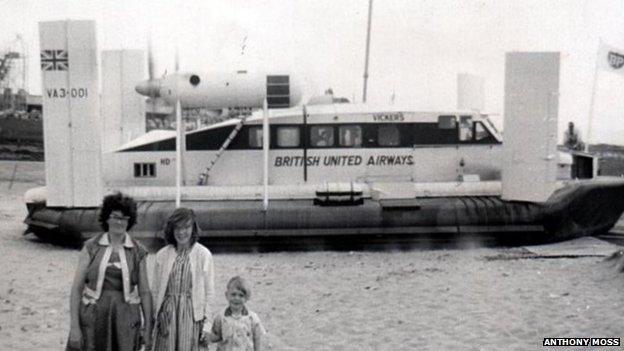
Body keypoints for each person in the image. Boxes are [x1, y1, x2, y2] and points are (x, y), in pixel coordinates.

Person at [67, 192, 152, 351]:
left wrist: (148, 327)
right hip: (92, 320)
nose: (119, 222)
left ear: (130, 221)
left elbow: (145, 292)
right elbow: (77, 289)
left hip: (125, 322)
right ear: (107, 218)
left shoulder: (138, 251)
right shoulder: (91, 247)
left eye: (124, 218)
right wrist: (74, 327)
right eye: (115, 217)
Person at [152, 208, 215, 351]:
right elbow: (155, 291)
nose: (181, 232)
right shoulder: (162, 255)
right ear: (171, 230)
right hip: (167, 317)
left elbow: (209, 293)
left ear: (193, 228)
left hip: (192, 317)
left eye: (186, 227)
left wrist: (207, 325)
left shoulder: (203, 254)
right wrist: (154, 319)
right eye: (177, 228)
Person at [203, 276, 266, 351]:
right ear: (227, 295)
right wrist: (208, 338)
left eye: (241, 295)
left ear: (247, 298)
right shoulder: (220, 317)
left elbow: (257, 338)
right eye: (233, 294)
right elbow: (218, 335)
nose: (237, 298)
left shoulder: (253, 318)